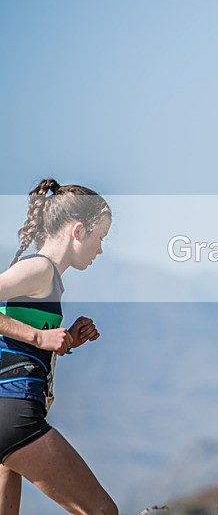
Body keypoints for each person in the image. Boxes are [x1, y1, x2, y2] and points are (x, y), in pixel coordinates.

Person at [0, 180, 117, 515]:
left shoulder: (47, 277)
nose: (101, 249)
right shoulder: (40, 269)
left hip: (8, 412)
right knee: (102, 511)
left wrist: (63, 342)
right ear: (78, 231)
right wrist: (41, 337)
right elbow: (32, 339)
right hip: (16, 415)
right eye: (101, 237)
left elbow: (15, 344)